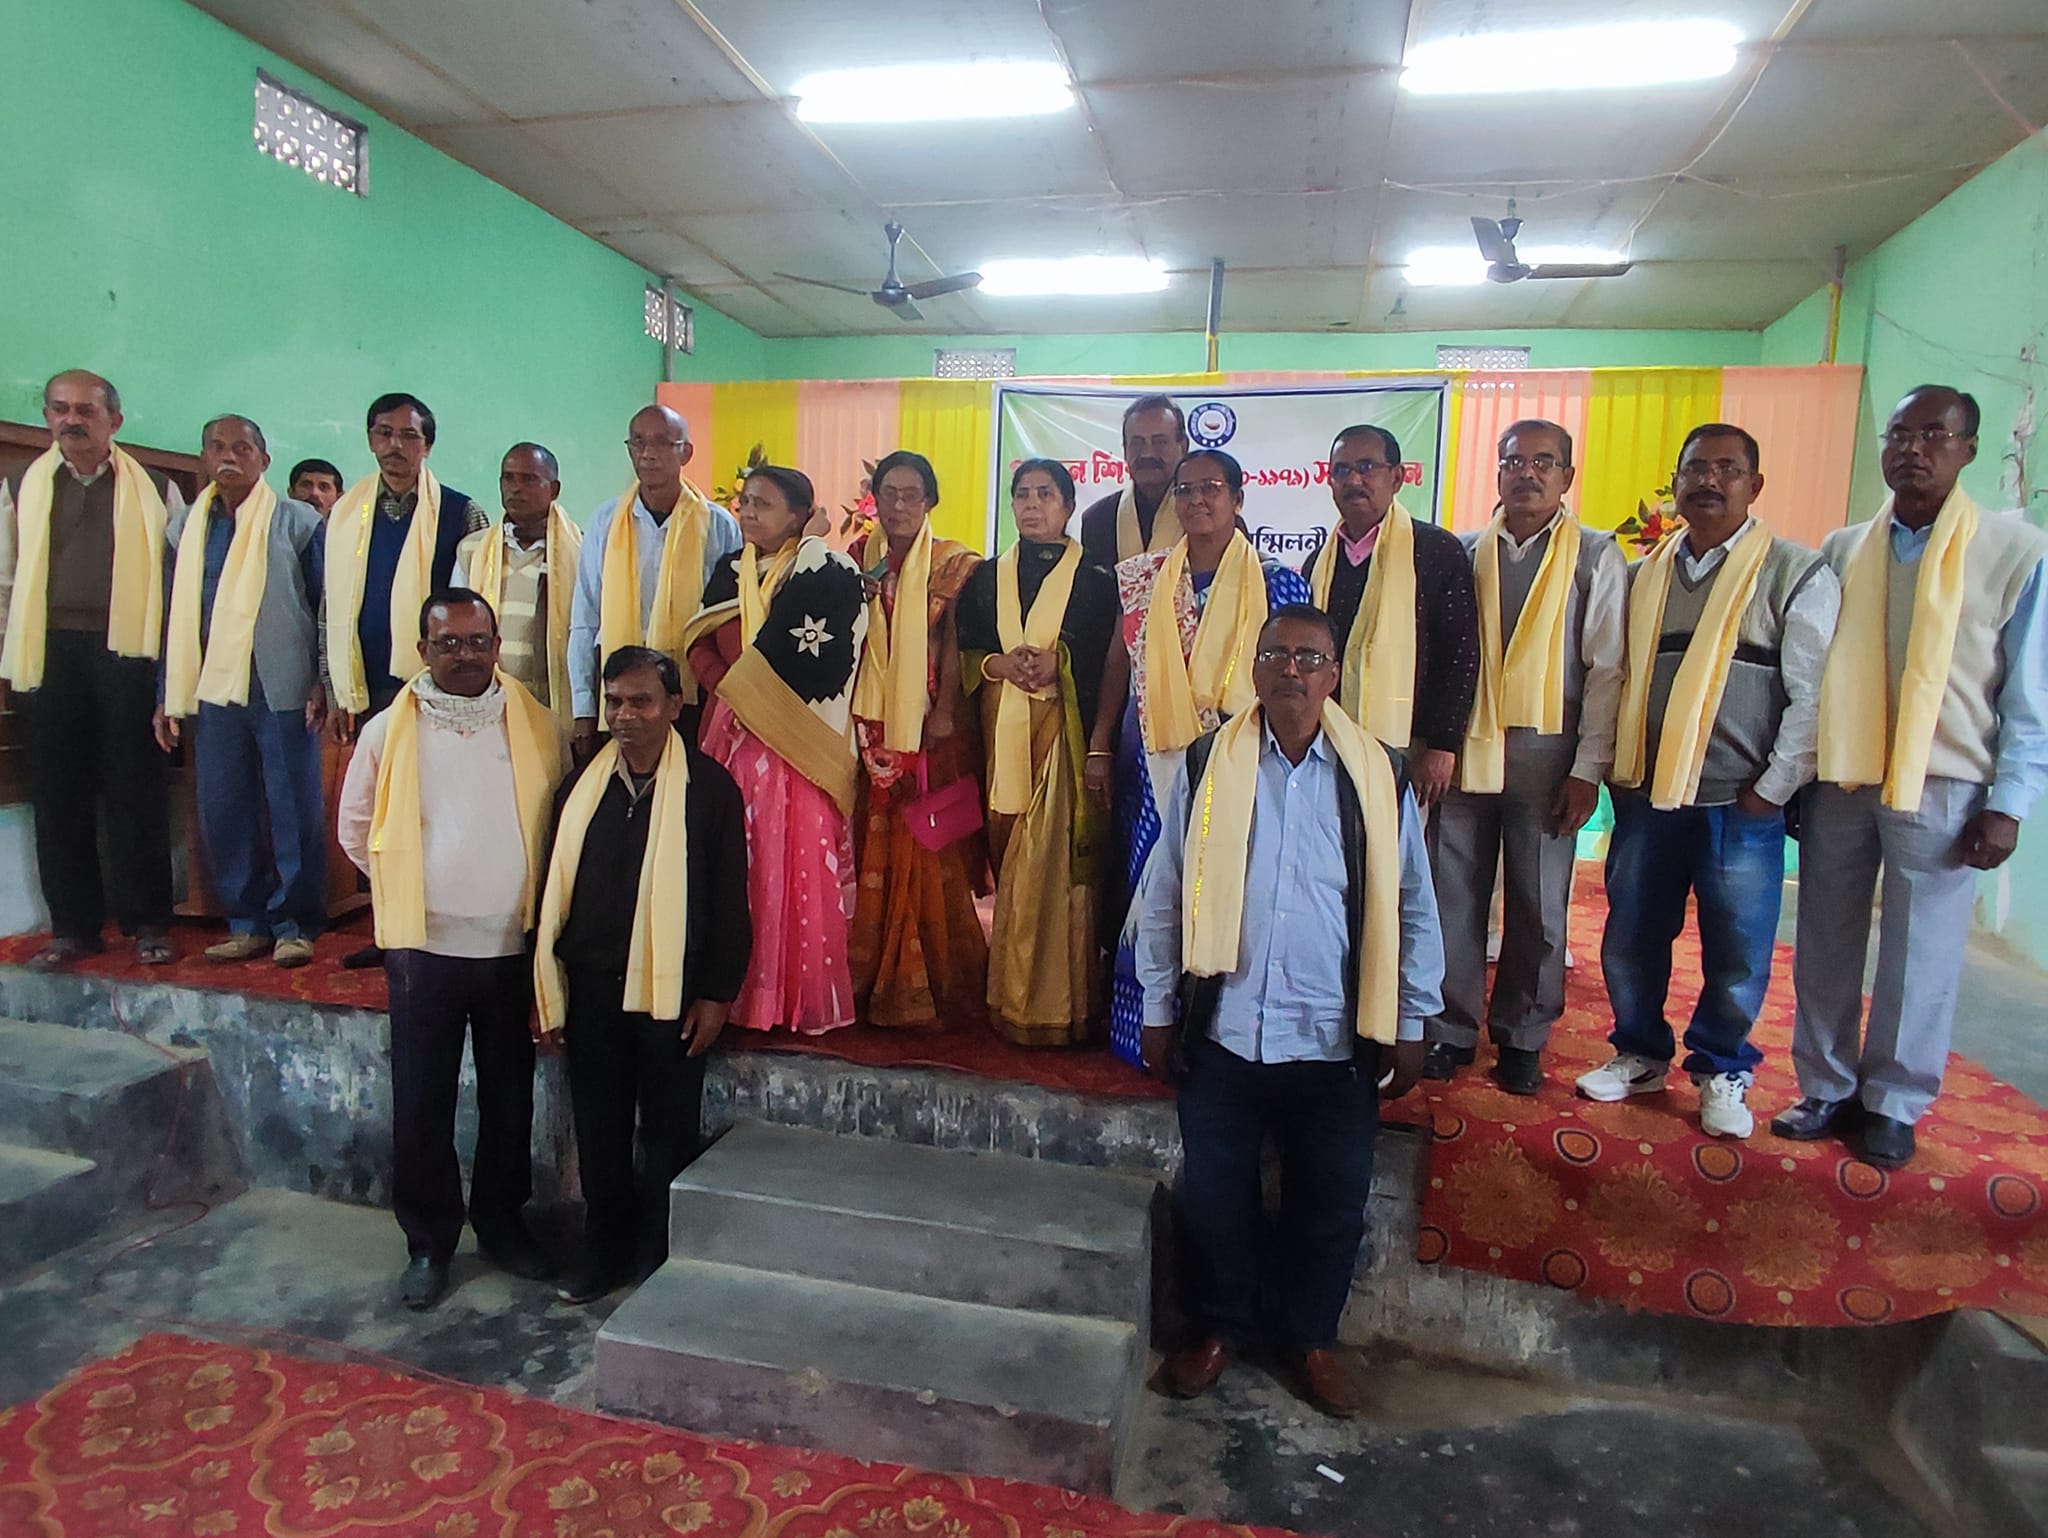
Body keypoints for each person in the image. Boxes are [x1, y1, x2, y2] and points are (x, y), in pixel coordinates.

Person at [1135, 603, 1441, 1417]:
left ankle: (1311, 1339)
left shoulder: (1376, 773)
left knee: (1331, 1205)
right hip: (1227, 1029)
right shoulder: (1210, 763)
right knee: (1216, 1197)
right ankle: (1222, 1327)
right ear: (1255, 668)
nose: (1292, 671)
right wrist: (1159, 1006)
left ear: (1334, 674)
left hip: (1335, 1035)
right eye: (1276, 655)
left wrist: (1412, 1019)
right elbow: (1165, 890)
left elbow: (1412, 901)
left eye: (1310, 658)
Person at [1780, 385, 2048, 1168]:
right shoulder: (1844, 548)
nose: (1913, 450)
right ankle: (1826, 1086)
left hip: (1945, 782)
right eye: (1900, 435)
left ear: (1969, 449)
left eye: (1934, 435)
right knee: (1825, 938)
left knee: (1920, 951)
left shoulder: (2014, 552)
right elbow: (1818, 670)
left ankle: (1893, 1103)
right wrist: (1801, 775)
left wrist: (2010, 804)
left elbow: (2028, 694)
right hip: (1844, 775)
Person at [1578, 424, 1840, 1139]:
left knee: (1737, 949)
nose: (1710, 481)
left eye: (1728, 469)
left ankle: (1723, 1067)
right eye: (1696, 469)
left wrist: (1771, 789)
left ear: (1756, 486)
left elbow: (1814, 697)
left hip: (1739, 801)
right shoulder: (1645, 575)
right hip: (1648, 796)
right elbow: (1616, 677)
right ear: (1676, 484)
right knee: (1633, 934)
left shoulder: (1794, 572)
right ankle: (1639, 1052)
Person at [337, 589, 566, 1308]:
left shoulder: (538, 724)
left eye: (478, 642)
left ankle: (502, 1224)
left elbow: (558, 825)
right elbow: (355, 826)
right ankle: (428, 1242)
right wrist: (411, 888)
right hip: (424, 948)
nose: (465, 655)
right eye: (449, 644)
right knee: (421, 1101)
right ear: (422, 650)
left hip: (510, 946)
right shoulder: (387, 731)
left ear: (497, 645)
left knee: (509, 1098)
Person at [535, 646, 750, 1304]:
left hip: (673, 995)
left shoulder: (709, 790)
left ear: (674, 707)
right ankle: (603, 1254)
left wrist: (716, 994)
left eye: (641, 702)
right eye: (614, 703)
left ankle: (658, 1259)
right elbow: (551, 892)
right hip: (594, 988)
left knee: (667, 1134)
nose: (624, 716)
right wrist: (546, 989)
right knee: (599, 1131)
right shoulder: (580, 789)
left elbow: (728, 900)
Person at [1425, 421, 1625, 1093]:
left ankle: (1523, 1035)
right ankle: (1450, 1028)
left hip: (1549, 750)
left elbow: (1607, 670)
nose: (1527, 473)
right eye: (1514, 461)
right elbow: (1444, 654)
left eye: (1544, 462)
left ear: (1567, 476)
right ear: (1498, 471)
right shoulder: (1465, 551)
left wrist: (1586, 770)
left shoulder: (1595, 555)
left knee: (1539, 902)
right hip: (1467, 743)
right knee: (1453, 893)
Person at [1106, 448, 1312, 1067]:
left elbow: (1295, 681)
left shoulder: (1277, 581)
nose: (1197, 500)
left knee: (1230, 891)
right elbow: (1122, 665)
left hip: (1242, 764)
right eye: (1186, 490)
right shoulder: (1145, 579)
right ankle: (1144, 1028)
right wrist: (1099, 744)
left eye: (1211, 488)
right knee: (1156, 890)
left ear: (1238, 499)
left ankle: (1218, 1032)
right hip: (1157, 763)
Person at [0, 370, 183, 967]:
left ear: (114, 421)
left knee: (137, 787)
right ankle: (73, 927)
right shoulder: (21, 485)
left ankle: (148, 921)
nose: (71, 420)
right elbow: (6, 581)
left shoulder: (156, 489)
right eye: (60, 409)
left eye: (85, 410)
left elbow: (177, 585)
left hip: (129, 653)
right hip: (47, 654)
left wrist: (171, 672)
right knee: (56, 791)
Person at [684, 466, 868, 1035]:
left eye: (762, 504)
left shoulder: (824, 571)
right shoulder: (729, 571)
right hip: (732, 738)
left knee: (794, 868)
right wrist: (727, 686)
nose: (747, 513)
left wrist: (812, 545)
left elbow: (831, 657)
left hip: (798, 746)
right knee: (736, 869)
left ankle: (792, 997)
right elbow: (697, 640)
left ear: (798, 515)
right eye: (744, 502)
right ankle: (736, 995)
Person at [153, 415, 328, 968]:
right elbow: (172, 616)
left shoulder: (297, 522)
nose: (229, 456)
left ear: (263, 460)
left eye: (242, 448)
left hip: (281, 683)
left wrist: (323, 679)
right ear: (204, 457)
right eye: (217, 447)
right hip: (211, 688)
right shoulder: (185, 528)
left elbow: (326, 607)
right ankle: (247, 922)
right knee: (224, 806)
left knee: (292, 807)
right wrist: (165, 693)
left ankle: (295, 924)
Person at [958, 459, 1121, 1046]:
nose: (1032, 505)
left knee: (1048, 869)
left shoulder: (1098, 581)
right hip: (1001, 732)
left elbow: (1112, 662)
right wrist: (995, 665)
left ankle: (1055, 1006)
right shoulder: (986, 577)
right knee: (1012, 865)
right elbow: (963, 651)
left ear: (1069, 505)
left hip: (1063, 733)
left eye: (1045, 494)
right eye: (1022, 494)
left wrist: (1061, 663)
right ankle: (1008, 994)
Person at [324, 393, 489, 968]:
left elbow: (477, 602)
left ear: (428, 445)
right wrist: (335, 685)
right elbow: (330, 605)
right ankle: (389, 925)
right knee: (382, 809)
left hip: (436, 686)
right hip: (366, 682)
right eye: (384, 433)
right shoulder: (346, 513)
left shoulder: (461, 513)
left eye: (409, 435)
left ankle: (437, 923)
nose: (395, 446)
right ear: (371, 439)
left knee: (432, 809)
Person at [848, 449, 990, 1029]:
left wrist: (946, 710)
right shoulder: (859, 558)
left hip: (930, 721)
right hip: (870, 720)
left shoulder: (955, 565)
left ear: (930, 501)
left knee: (928, 842)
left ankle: (932, 976)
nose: (900, 505)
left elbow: (956, 641)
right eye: (890, 493)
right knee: (872, 839)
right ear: (875, 499)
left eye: (912, 495)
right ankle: (869, 970)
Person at [1301, 423, 1480, 808]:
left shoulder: (1435, 551)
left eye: (1367, 467)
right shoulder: (1318, 563)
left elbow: (1459, 653)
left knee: (1397, 845)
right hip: (1327, 741)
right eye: (1342, 470)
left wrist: (1442, 745)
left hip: (1408, 747)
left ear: (1397, 478)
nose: (1354, 480)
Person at [567, 404, 742, 760]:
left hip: (690, 695)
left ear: (685, 452)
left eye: (662, 442)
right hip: (619, 698)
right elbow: (585, 618)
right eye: (638, 442)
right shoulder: (605, 522)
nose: (647, 453)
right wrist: (584, 709)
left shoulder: (718, 525)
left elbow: (728, 620)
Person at [455, 442, 582, 725]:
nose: (516, 488)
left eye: (529, 479)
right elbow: (458, 624)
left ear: (554, 489)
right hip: (488, 706)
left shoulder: (581, 551)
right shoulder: (472, 550)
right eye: (508, 478)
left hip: (554, 707)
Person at [1077, 395, 1190, 567]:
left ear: (1183, 446)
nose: (1147, 453)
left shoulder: (1203, 513)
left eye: (1160, 442)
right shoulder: (1097, 520)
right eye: (1137, 443)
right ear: (1124, 450)